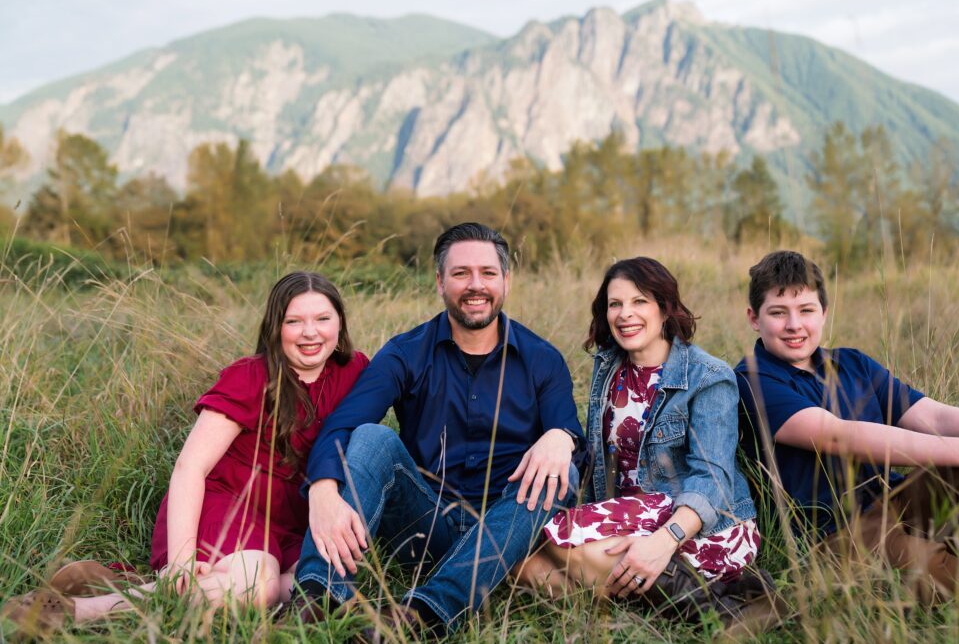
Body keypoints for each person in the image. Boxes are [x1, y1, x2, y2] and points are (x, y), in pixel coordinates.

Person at [2, 272, 368, 635]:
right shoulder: (251, 377)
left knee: (306, 588)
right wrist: (181, 559)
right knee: (259, 588)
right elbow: (190, 466)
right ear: (276, 327)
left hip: (292, 522)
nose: (310, 332)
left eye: (322, 318)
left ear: (339, 324)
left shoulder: (356, 372)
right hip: (227, 506)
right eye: (294, 321)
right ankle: (75, 611)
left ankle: (118, 586)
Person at [289, 222, 586, 636]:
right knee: (372, 438)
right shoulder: (406, 352)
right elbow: (344, 424)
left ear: (506, 281)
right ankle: (318, 596)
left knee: (562, 470)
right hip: (422, 526)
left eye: (488, 273)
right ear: (439, 282)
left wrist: (562, 436)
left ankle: (425, 613)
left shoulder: (542, 359)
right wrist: (321, 489)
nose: (475, 285)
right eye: (461, 273)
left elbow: (572, 441)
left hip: (504, 533)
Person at [735, 250, 959, 604]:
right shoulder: (751, 380)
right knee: (956, 583)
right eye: (778, 313)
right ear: (754, 318)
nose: (795, 325)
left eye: (806, 310)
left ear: (824, 313)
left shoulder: (852, 363)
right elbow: (837, 435)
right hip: (839, 534)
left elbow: (932, 417)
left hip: (897, 499)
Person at [520, 257, 762, 618]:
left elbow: (713, 477)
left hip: (700, 524)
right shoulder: (609, 368)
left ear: (665, 309)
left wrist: (662, 542)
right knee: (525, 570)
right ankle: (684, 595)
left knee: (559, 539)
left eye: (639, 302)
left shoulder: (708, 376)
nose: (624, 314)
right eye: (615, 304)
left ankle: (717, 609)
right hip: (631, 516)